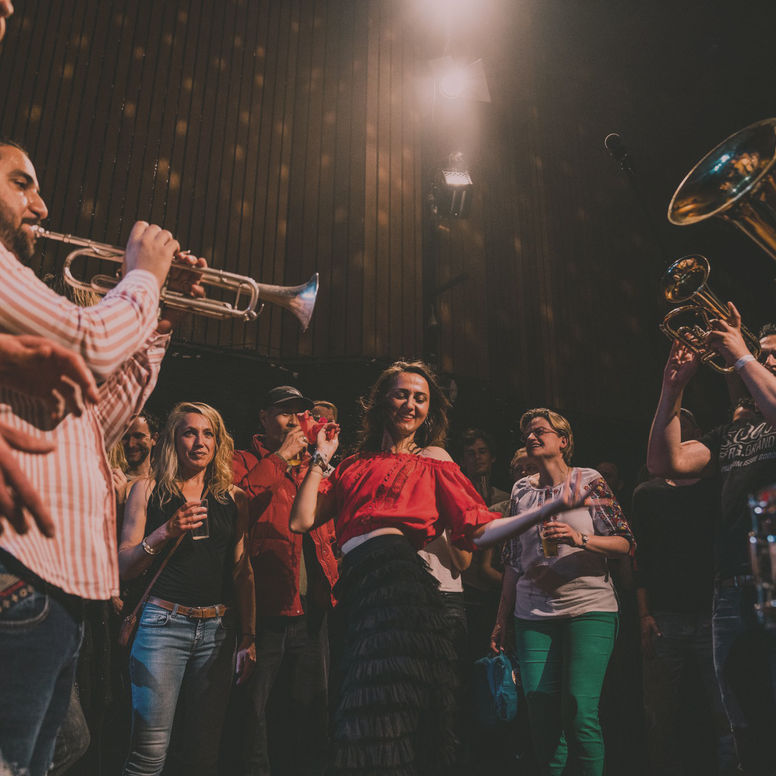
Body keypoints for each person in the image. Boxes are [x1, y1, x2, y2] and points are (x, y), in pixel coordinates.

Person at [0, 139, 203, 776]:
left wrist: (159, 314)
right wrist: (142, 275)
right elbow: (91, 343)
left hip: (51, 580)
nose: (42, 202)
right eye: (20, 183)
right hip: (18, 569)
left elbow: (97, 415)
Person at [290, 361, 500, 774]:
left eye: (420, 398)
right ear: (381, 400)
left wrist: (546, 509)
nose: (410, 404)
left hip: (406, 588)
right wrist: (319, 457)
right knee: (361, 701)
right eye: (402, 394)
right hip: (356, 589)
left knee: (392, 706)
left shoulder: (433, 459)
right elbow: (300, 520)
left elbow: (469, 542)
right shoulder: (352, 464)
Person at [647, 338, 776, 774]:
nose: (769, 358)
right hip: (729, 593)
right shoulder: (733, 432)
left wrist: (740, 356)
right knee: (740, 718)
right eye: (765, 353)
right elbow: (665, 463)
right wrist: (672, 389)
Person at [488, 408, 633, 776]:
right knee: (541, 713)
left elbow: (625, 543)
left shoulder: (590, 480)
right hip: (532, 614)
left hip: (589, 608)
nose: (531, 438)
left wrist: (579, 538)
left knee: (578, 709)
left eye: (540, 431)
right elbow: (512, 560)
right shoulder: (521, 490)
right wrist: (501, 618)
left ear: (563, 441)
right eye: (527, 434)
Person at [118, 402, 255, 776]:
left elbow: (243, 573)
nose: (200, 441)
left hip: (217, 631)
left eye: (208, 432)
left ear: (219, 441)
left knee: (202, 757)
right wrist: (166, 531)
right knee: (149, 755)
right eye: (189, 432)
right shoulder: (146, 490)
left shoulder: (233, 497)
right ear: (173, 441)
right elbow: (125, 566)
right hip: (162, 625)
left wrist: (248, 636)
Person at [225, 385, 339, 776]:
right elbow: (235, 504)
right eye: (283, 412)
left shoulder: (315, 465)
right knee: (253, 718)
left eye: (300, 413)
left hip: (312, 610)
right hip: (264, 607)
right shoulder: (241, 458)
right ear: (262, 417)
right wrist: (279, 458)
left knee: (311, 714)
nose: (293, 420)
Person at [634, 409, 735, 775]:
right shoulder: (647, 492)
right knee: (660, 715)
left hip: (713, 611)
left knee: (726, 710)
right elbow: (640, 557)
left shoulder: (717, 486)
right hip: (665, 616)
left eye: (687, 429)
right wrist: (644, 614)